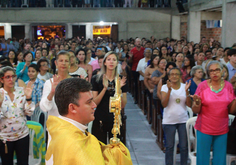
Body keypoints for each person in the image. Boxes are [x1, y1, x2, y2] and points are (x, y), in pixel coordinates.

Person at [45, 78, 132, 165]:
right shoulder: (73, 143)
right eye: (89, 102)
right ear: (72, 108)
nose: (94, 105)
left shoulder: (60, 128)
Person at [192, 61, 236, 165]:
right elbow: (195, 110)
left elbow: (231, 110)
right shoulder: (202, 86)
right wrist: (197, 104)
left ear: (222, 71)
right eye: (211, 71)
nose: (214, 73)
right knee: (203, 159)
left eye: (217, 70)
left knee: (220, 160)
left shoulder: (228, 86)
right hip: (204, 128)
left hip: (222, 128)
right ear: (208, 73)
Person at [0, 66, 35, 165]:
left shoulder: (21, 91)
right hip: (5, 138)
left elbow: (29, 112)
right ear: (1, 79)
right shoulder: (0, 94)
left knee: (23, 163)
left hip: (22, 135)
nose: (11, 79)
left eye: (13, 76)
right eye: (7, 77)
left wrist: (28, 98)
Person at [91, 51, 128, 144]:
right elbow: (94, 103)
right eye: (109, 59)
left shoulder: (121, 79)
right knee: (100, 149)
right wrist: (104, 89)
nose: (111, 62)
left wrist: (118, 89)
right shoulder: (96, 79)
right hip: (100, 118)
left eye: (114, 60)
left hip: (115, 120)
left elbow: (123, 104)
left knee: (115, 151)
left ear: (117, 63)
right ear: (104, 62)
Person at [161, 67, 192, 165]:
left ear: (180, 76)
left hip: (182, 120)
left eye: (177, 74)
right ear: (169, 76)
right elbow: (164, 104)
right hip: (169, 121)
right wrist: (169, 90)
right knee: (169, 146)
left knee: (184, 146)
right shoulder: (165, 87)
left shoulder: (184, 86)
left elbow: (189, 104)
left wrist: (187, 92)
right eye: (172, 74)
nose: (174, 76)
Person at [40, 50, 72, 117]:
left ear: (69, 63)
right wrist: (52, 92)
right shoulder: (49, 83)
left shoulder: (75, 82)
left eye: (66, 61)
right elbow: (44, 108)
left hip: (71, 123)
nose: (63, 63)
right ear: (56, 63)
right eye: (61, 61)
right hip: (54, 123)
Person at [128, 38, 145, 104]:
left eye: (139, 41)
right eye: (137, 41)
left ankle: (143, 99)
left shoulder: (143, 50)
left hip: (142, 69)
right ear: (135, 43)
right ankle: (136, 98)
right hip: (135, 69)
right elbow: (130, 61)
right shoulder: (132, 50)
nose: (138, 43)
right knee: (136, 84)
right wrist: (131, 57)